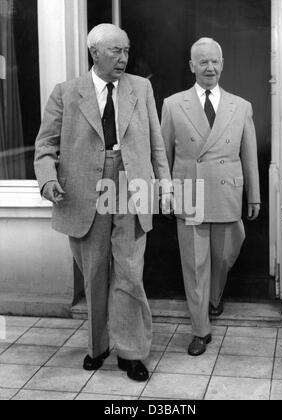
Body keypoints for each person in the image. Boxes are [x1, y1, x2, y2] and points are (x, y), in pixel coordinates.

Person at [34, 24, 172, 382]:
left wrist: (166, 185)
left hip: (132, 186)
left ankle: (132, 352)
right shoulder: (65, 93)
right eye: (115, 51)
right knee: (94, 273)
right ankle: (98, 346)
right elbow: (45, 146)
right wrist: (48, 179)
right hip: (84, 191)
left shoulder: (141, 88)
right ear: (94, 52)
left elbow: (156, 143)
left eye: (126, 51)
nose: (123, 58)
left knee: (129, 272)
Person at [161, 37, 260, 356]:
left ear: (222, 63)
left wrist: (254, 196)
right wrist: (164, 194)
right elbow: (162, 154)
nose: (210, 67)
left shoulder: (241, 105)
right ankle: (200, 329)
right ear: (191, 66)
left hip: (227, 190)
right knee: (194, 264)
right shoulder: (173, 104)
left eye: (215, 61)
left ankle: (214, 298)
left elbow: (250, 155)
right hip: (189, 190)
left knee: (224, 255)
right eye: (202, 61)